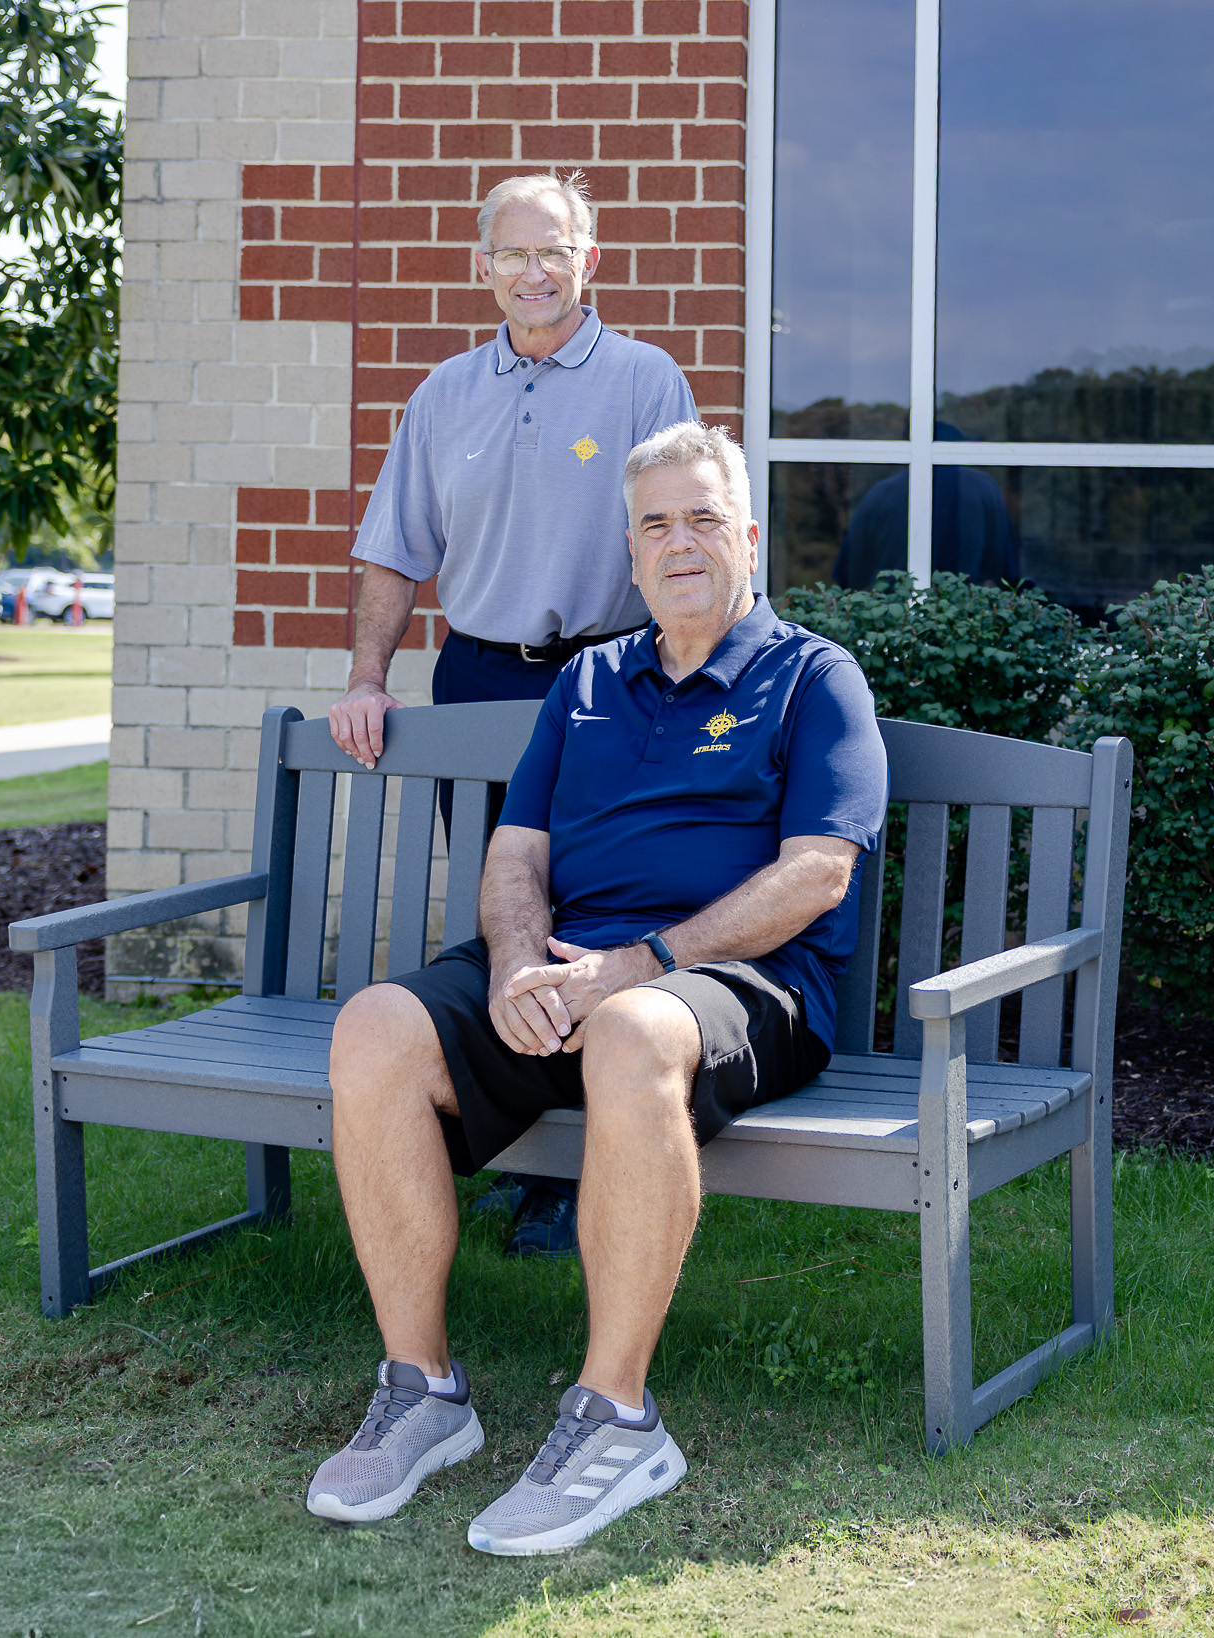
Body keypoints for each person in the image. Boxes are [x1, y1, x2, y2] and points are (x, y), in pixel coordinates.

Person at [305, 423, 889, 1555]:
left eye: (704, 518)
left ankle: (617, 1417)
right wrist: (517, 964)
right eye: (654, 524)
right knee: (375, 1026)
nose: (680, 542)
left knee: (629, 1031)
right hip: (572, 969)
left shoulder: (813, 677)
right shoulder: (585, 681)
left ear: (749, 539)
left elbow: (818, 873)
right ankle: (422, 1391)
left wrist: (636, 966)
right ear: (630, 552)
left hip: (740, 982)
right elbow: (515, 852)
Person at [327, 170, 698, 1258]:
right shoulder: (443, 394)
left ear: (591, 261)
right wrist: (366, 678)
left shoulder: (643, 379)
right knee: (509, 914)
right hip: (480, 678)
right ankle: (528, 1148)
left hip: (611, 679)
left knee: (600, 914)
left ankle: (587, 1169)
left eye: (555, 251)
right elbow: (393, 550)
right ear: (480, 265)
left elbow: (684, 530)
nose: (534, 272)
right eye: (513, 253)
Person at [831, 424, 1021, 590]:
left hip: (894, 613)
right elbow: (1005, 571)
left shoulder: (881, 493)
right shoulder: (983, 487)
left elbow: (850, 575)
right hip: (965, 613)